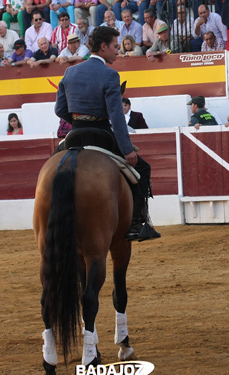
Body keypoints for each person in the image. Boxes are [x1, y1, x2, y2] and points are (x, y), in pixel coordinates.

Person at [55, 25, 159, 242]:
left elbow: (59, 110)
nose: (117, 51)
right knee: (142, 168)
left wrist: (77, 120)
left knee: (55, 165)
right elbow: (117, 117)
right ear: (103, 47)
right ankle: (136, 224)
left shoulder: (69, 71)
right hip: (101, 134)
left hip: (74, 134)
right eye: (114, 46)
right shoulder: (110, 75)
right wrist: (127, 149)